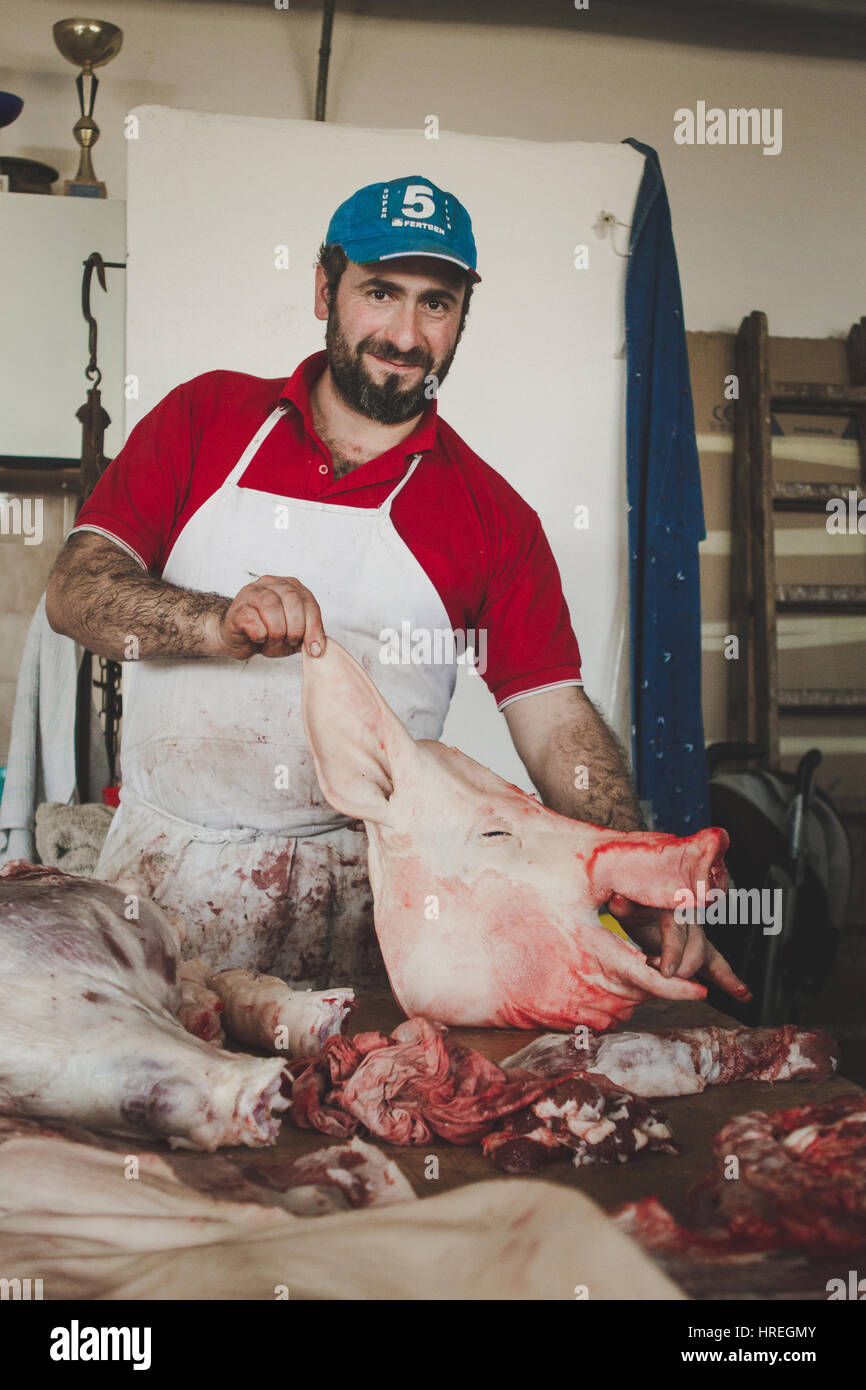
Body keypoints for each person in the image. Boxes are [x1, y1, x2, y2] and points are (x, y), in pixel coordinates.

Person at [46, 173, 747, 1003]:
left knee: (378, 1112)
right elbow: (76, 593)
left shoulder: (492, 516)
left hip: (379, 907)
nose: (406, 334)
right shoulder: (205, 421)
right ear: (324, 289)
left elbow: (557, 722)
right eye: (380, 292)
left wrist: (636, 863)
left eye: (437, 304)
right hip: (166, 889)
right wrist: (215, 622)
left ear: (461, 320)